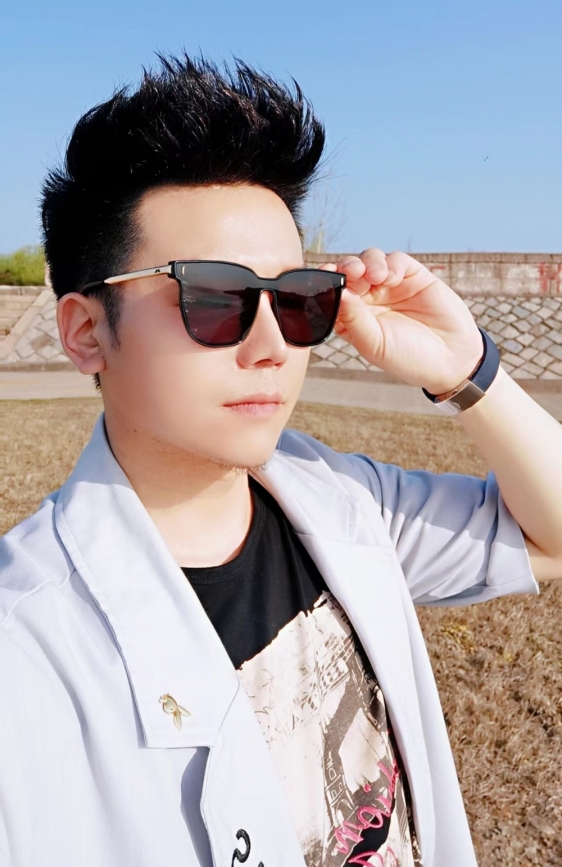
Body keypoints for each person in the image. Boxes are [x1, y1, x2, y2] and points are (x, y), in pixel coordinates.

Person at [0, 56, 560, 867]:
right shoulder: (26, 651)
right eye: (214, 297)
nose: (272, 346)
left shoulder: (343, 499)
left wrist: (467, 369)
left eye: (297, 299)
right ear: (86, 332)